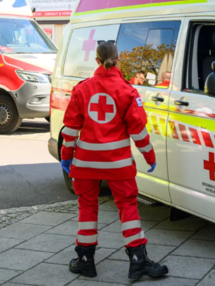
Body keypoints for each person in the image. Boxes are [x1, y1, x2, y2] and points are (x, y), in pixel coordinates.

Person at [60, 42, 168, 280]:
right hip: (118, 164)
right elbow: (139, 132)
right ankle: (138, 260)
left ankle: (85, 260)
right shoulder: (128, 91)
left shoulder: (82, 89)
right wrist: (150, 156)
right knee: (127, 206)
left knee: (87, 206)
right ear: (118, 60)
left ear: (97, 61)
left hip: (86, 164)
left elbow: (69, 131)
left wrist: (66, 158)